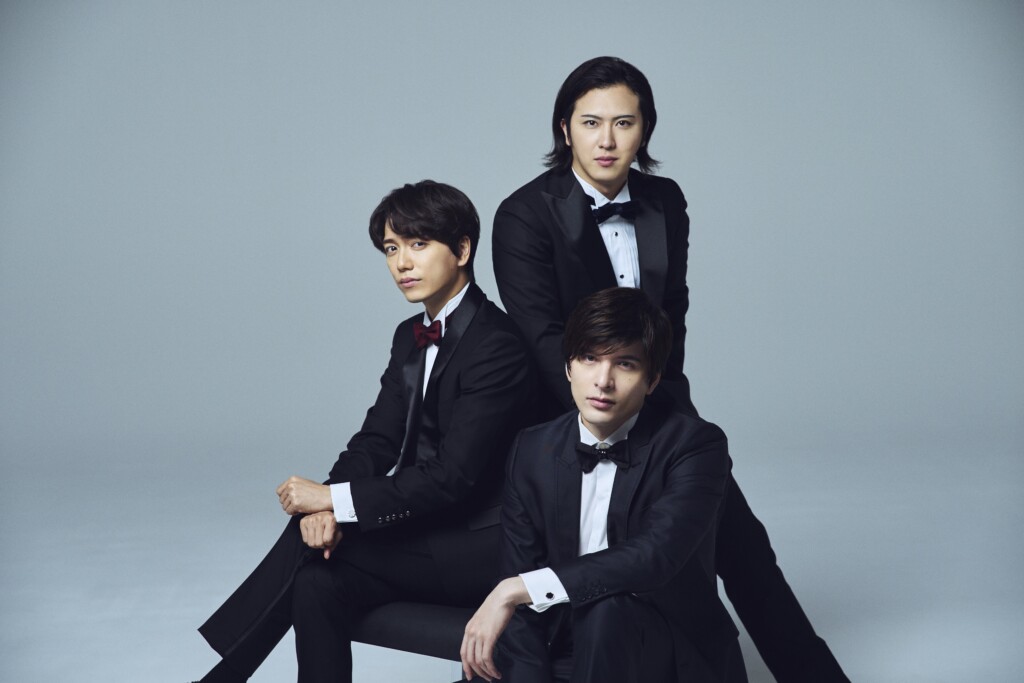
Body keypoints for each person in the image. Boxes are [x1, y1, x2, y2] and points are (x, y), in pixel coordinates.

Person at [491, 56, 847, 681]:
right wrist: (620, 412)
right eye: (590, 122)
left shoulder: (665, 201)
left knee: (745, 549)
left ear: (645, 129)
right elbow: (545, 343)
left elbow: (672, 316)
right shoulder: (524, 214)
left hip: (659, 401)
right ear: (564, 129)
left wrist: (660, 409)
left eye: (623, 123)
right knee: (632, 570)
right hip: (575, 418)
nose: (606, 140)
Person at [194, 180, 535, 683]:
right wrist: (324, 506)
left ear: (462, 250)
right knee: (317, 580)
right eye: (392, 249)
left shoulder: (496, 344)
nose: (402, 263)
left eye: (418, 244)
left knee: (315, 553)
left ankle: (223, 676)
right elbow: (376, 440)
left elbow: (453, 478)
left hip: (479, 547)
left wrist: (333, 500)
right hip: (420, 530)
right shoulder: (408, 338)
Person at [460, 287, 745, 682]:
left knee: (605, 610)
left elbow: (654, 556)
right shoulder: (533, 448)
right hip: (560, 645)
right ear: (568, 367)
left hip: (660, 650)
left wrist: (515, 588)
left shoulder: (695, 445)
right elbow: (520, 584)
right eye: (589, 359)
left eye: (625, 364)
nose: (603, 381)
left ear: (652, 379)